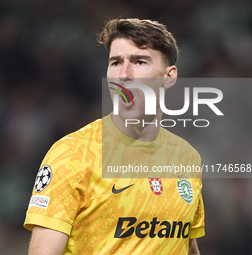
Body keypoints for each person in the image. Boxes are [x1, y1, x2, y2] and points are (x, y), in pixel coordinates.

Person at [24, 18, 205, 255]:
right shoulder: (72, 154)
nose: (124, 74)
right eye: (116, 63)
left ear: (169, 76)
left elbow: (185, 244)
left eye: (139, 62)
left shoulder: (187, 157)